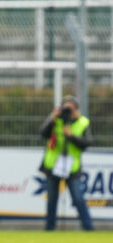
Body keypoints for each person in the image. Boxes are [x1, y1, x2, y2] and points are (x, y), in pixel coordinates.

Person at [39, 95, 94, 231]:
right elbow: (43, 134)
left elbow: (87, 143)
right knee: (52, 199)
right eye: (66, 108)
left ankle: (88, 227)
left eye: (71, 108)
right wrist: (52, 118)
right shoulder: (56, 120)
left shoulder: (83, 122)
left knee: (78, 198)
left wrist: (71, 136)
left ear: (76, 109)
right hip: (53, 165)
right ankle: (50, 228)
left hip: (72, 166)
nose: (68, 111)